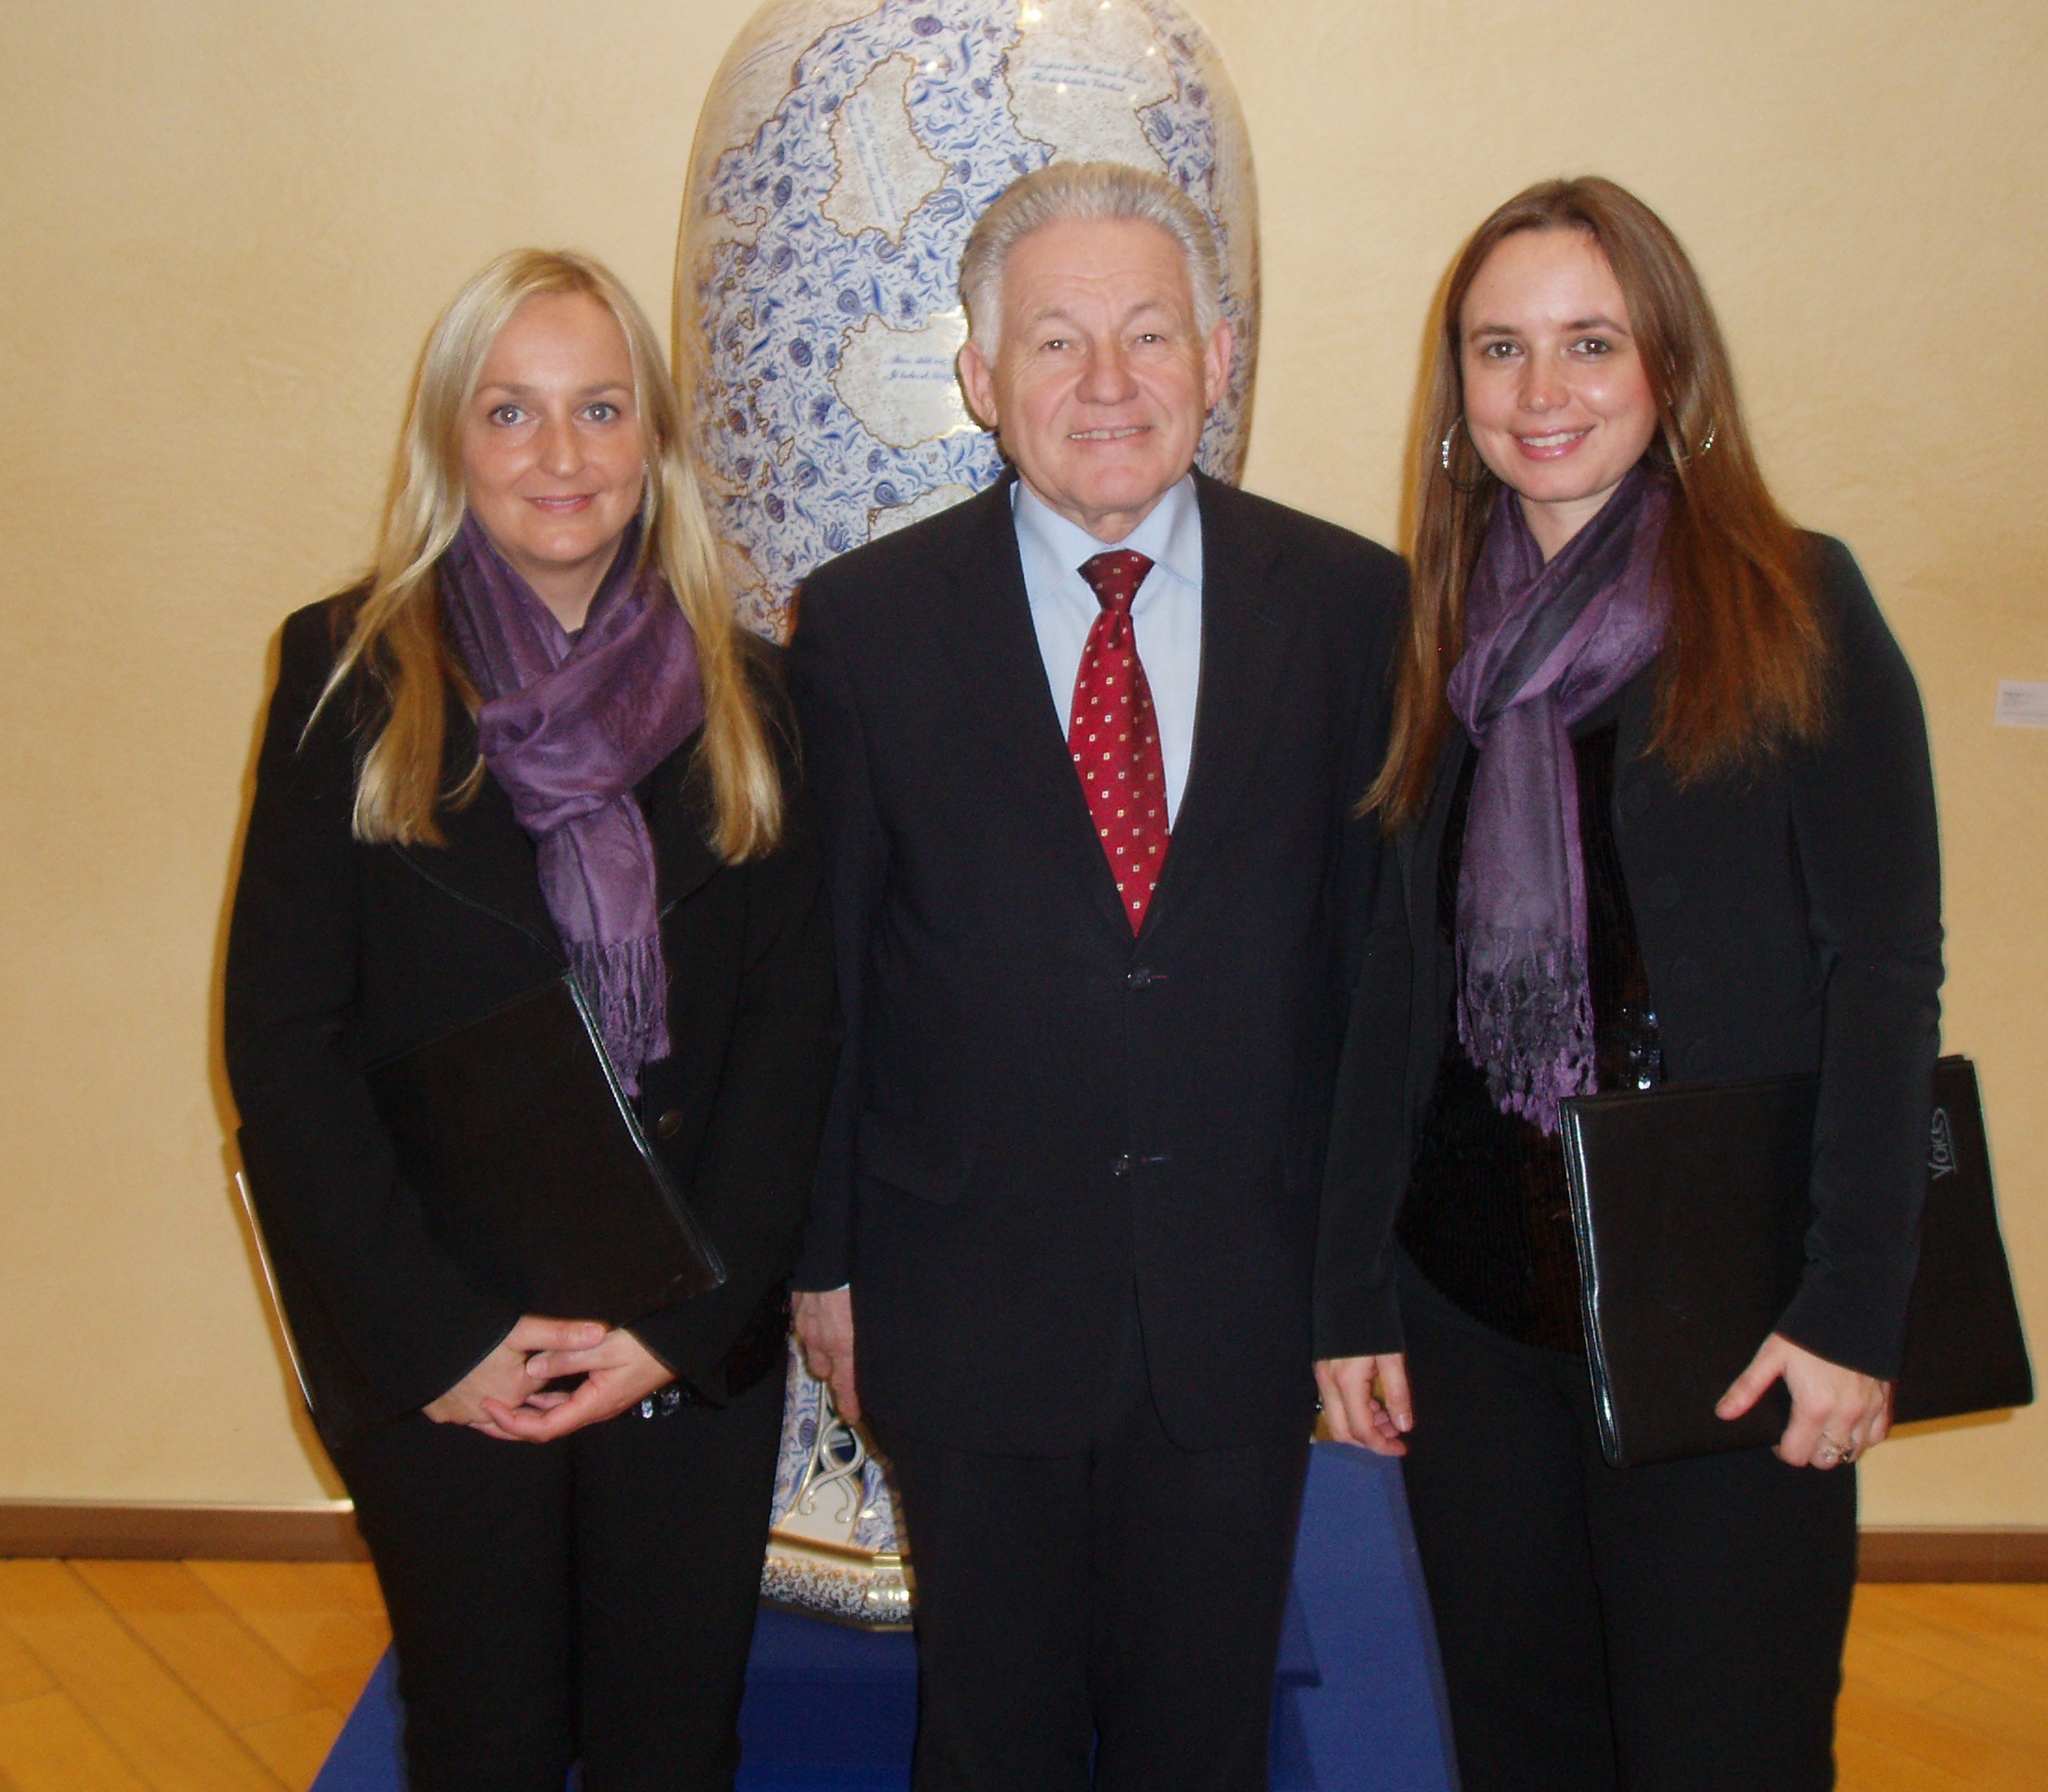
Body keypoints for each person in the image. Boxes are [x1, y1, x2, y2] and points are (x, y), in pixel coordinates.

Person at [1313, 176, 1943, 1790]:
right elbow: (1398, 989)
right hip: (1472, 1312)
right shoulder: (1434, 644)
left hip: (1730, 1315)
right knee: (1524, 1747)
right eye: (1501, 349)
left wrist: (1852, 1310)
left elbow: (1882, 975)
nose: (1543, 394)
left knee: (1720, 1749)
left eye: (1590, 344)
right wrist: (1354, 1294)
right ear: (1455, 389)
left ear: (1670, 368)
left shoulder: (1796, 604)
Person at [785, 160, 1405, 1792]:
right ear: (982, 379)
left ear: (1221, 353)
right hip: (964, 1289)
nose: (1110, 384)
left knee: (1203, 1739)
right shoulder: (861, 628)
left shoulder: (1353, 610)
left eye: (1149, 334)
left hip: (1241, 1296)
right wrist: (825, 1261)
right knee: (988, 1739)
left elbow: (1376, 974)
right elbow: (829, 977)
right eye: (1057, 342)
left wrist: (1358, 1279)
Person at [223, 248, 836, 1792]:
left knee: (669, 1745)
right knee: (484, 1741)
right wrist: (438, 1339)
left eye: (601, 409)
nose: (561, 457)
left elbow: (793, 1040)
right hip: (446, 1339)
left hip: (676, 1337)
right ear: (451, 444)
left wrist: (678, 1330)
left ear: (654, 445)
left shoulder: (759, 699)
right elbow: (282, 1046)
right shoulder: (344, 676)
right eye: (512, 412)